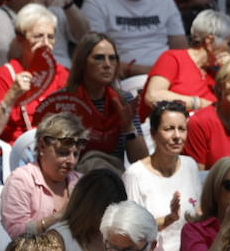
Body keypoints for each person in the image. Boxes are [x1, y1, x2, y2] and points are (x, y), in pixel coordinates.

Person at [36, 33, 149, 167]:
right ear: (82, 62)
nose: (107, 65)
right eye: (99, 58)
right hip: (71, 177)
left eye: (112, 58)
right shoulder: (63, 102)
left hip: (112, 178)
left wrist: (129, 126)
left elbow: (141, 161)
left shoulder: (123, 100)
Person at [124, 102, 203, 251]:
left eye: (182, 129)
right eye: (168, 129)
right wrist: (169, 219)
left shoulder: (190, 165)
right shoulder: (135, 174)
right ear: (153, 134)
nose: (177, 136)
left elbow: (199, 214)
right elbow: (131, 231)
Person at [0, 4, 71, 145]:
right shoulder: (6, 74)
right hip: (18, 152)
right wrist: (12, 95)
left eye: (51, 37)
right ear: (20, 40)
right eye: (38, 36)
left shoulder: (62, 74)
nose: (46, 44)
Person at [0, 113, 85, 241]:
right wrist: (57, 217)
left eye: (76, 154)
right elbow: (12, 234)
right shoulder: (22, 180)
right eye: (63, 153)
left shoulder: (80, 182)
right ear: (42, 146)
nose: (71, 161)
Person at [142, 12, 230, 116]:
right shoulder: (173, 59)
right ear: (210, 41)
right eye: (229, 44)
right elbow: (153, 96)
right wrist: (200, 104)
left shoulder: (217, 73)